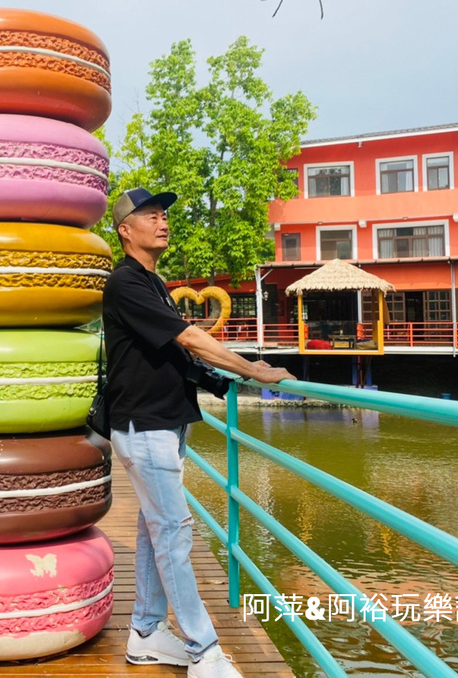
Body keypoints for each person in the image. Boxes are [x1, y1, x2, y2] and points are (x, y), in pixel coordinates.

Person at [103, 187, 296, 678]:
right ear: (126, 230)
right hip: (145, 427)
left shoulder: (153, 282)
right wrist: (255, 371)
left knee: (155, 531)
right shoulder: (125, 282)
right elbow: (189, 338)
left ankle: (146, 634)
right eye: (150, 216)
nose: (162, 222)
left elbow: (174, 354)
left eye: (164, 214)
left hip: (164, 423)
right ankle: (203, 651)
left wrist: (215, 380)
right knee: (173, 534)